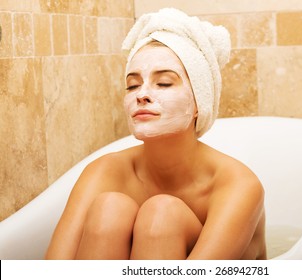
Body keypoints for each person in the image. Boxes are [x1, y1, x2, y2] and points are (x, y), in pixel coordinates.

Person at [45, 8, 266, 260]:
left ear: (198, 104)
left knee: (163, 214)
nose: (142, 94)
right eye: (133, 85)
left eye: (164, 83)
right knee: (110, 208)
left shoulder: (237, 184)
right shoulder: (106, 171)